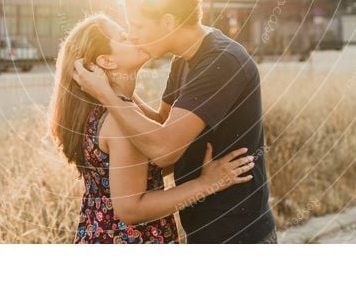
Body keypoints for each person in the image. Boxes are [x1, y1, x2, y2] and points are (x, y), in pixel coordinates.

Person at [73, 0, 278, 243]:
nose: (133, 35)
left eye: (139, 25)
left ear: (168, 23)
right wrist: (118, 90)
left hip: (237, 231)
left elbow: (165, 149)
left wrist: (108, 95)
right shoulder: (183, 60)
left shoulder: (221, 62)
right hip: (203, 227)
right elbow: (159, 127)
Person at [50, 12, 256, 244]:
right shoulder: (121, 123)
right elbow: (131, 209)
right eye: (124, 37)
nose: (134, 37)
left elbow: (142, 166)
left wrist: (116, 90)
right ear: (107, 61)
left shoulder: (109, 110)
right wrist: (206, 184)